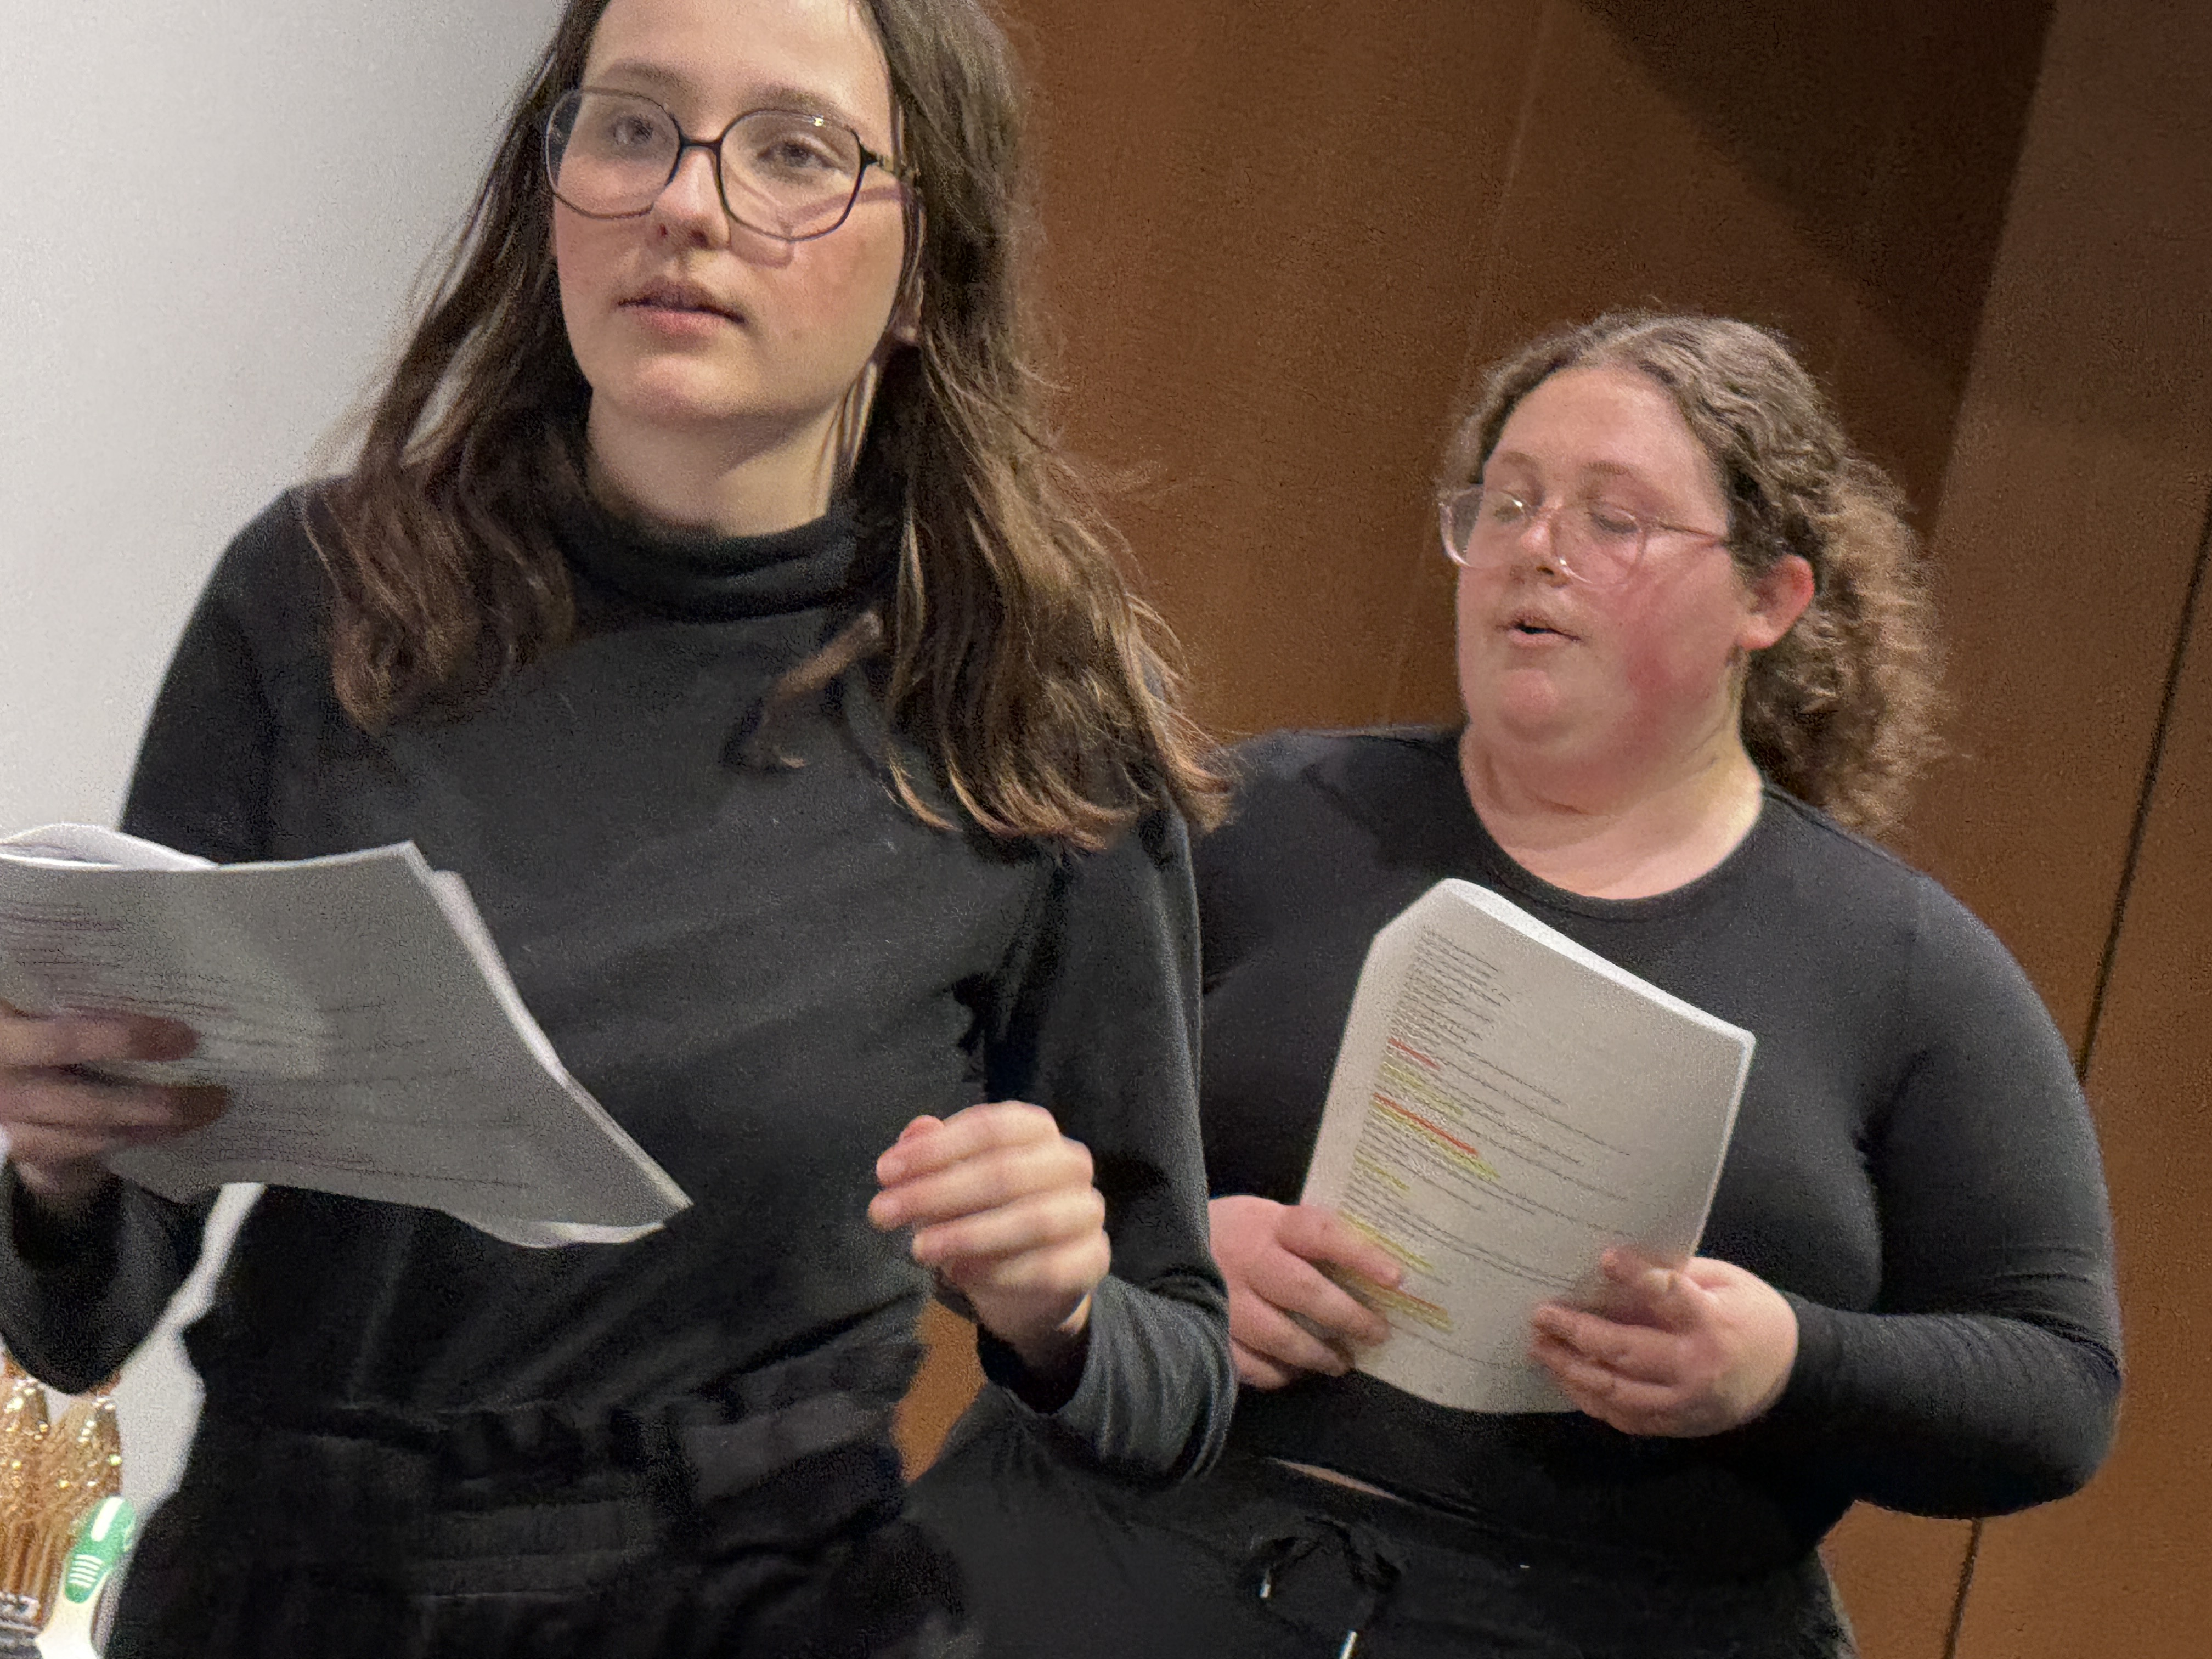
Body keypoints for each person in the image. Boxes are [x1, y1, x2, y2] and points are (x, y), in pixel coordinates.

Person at [0, 0, 1235, 1654]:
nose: (688, 203)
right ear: (554, 182)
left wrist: (1061, 1309)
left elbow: (1176, 1386)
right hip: (279, 1582)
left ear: (925, 273)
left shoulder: (1028, 709)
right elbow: (87, 1314)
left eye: (793, 153)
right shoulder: (318, 600)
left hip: (741, 1606)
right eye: (631, 126)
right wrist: (63, 1174)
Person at [911, 312, 2121, 1658]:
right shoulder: (1242, 821)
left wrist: (1783, 1363)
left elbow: (2055, 1390)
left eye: (1617, 519)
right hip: (1106, 1561)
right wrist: (1166, 1268)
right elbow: (961, 1150)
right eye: (1509, 501)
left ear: (1771, 601)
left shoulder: (1907, 969)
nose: (1535, 547)